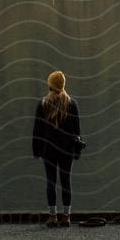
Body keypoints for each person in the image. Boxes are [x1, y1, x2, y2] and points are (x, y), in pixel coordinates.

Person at [31, 70, 84, 227]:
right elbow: (77, 131)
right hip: (67, 150)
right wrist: (77, 152)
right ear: (63, 85)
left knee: (51, 182)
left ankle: (53, 217)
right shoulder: (72, 104)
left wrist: (37, 151)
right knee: (66, 181)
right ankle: (66, 217)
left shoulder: (43, 104)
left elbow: (37, 130)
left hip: (48, 150)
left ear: (50, 86)